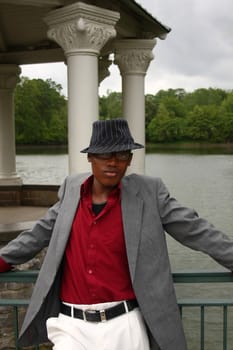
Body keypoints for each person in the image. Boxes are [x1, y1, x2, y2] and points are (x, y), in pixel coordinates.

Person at [0, 118, 233, 350]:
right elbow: (39, 232)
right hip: (71, 327)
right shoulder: (72, 189)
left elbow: (196, 229)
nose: (113, 162)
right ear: (90, 156)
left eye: (122, 155)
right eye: (104, 154)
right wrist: (4, 259)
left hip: (125, 324)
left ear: (130, 159)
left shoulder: (149, 193)